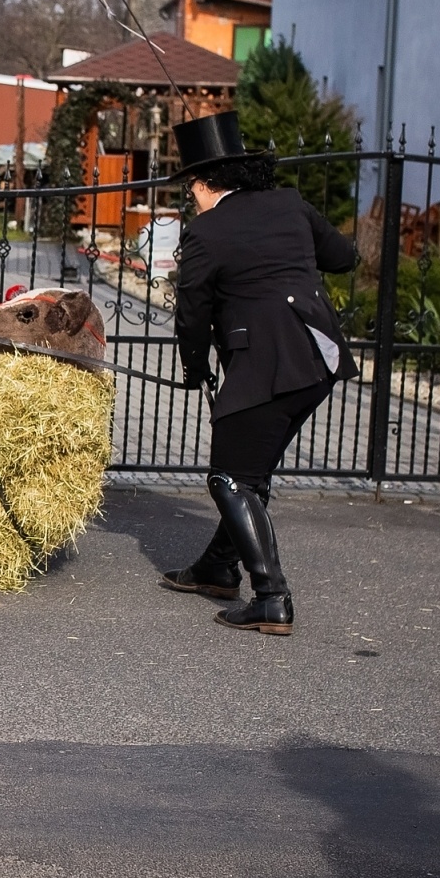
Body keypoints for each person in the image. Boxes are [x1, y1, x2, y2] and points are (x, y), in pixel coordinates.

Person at [159, 111, 357, 636]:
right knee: (251, 472)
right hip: (319, 359)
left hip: (267, 365)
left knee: (229, 478)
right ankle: (217, 569)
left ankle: (271, 596)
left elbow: (193, 311)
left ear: (204, 183)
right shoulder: (289, 204)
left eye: (191, 188)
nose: (191, 198)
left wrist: (196, 367)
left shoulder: (206, 231)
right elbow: (344, 257)